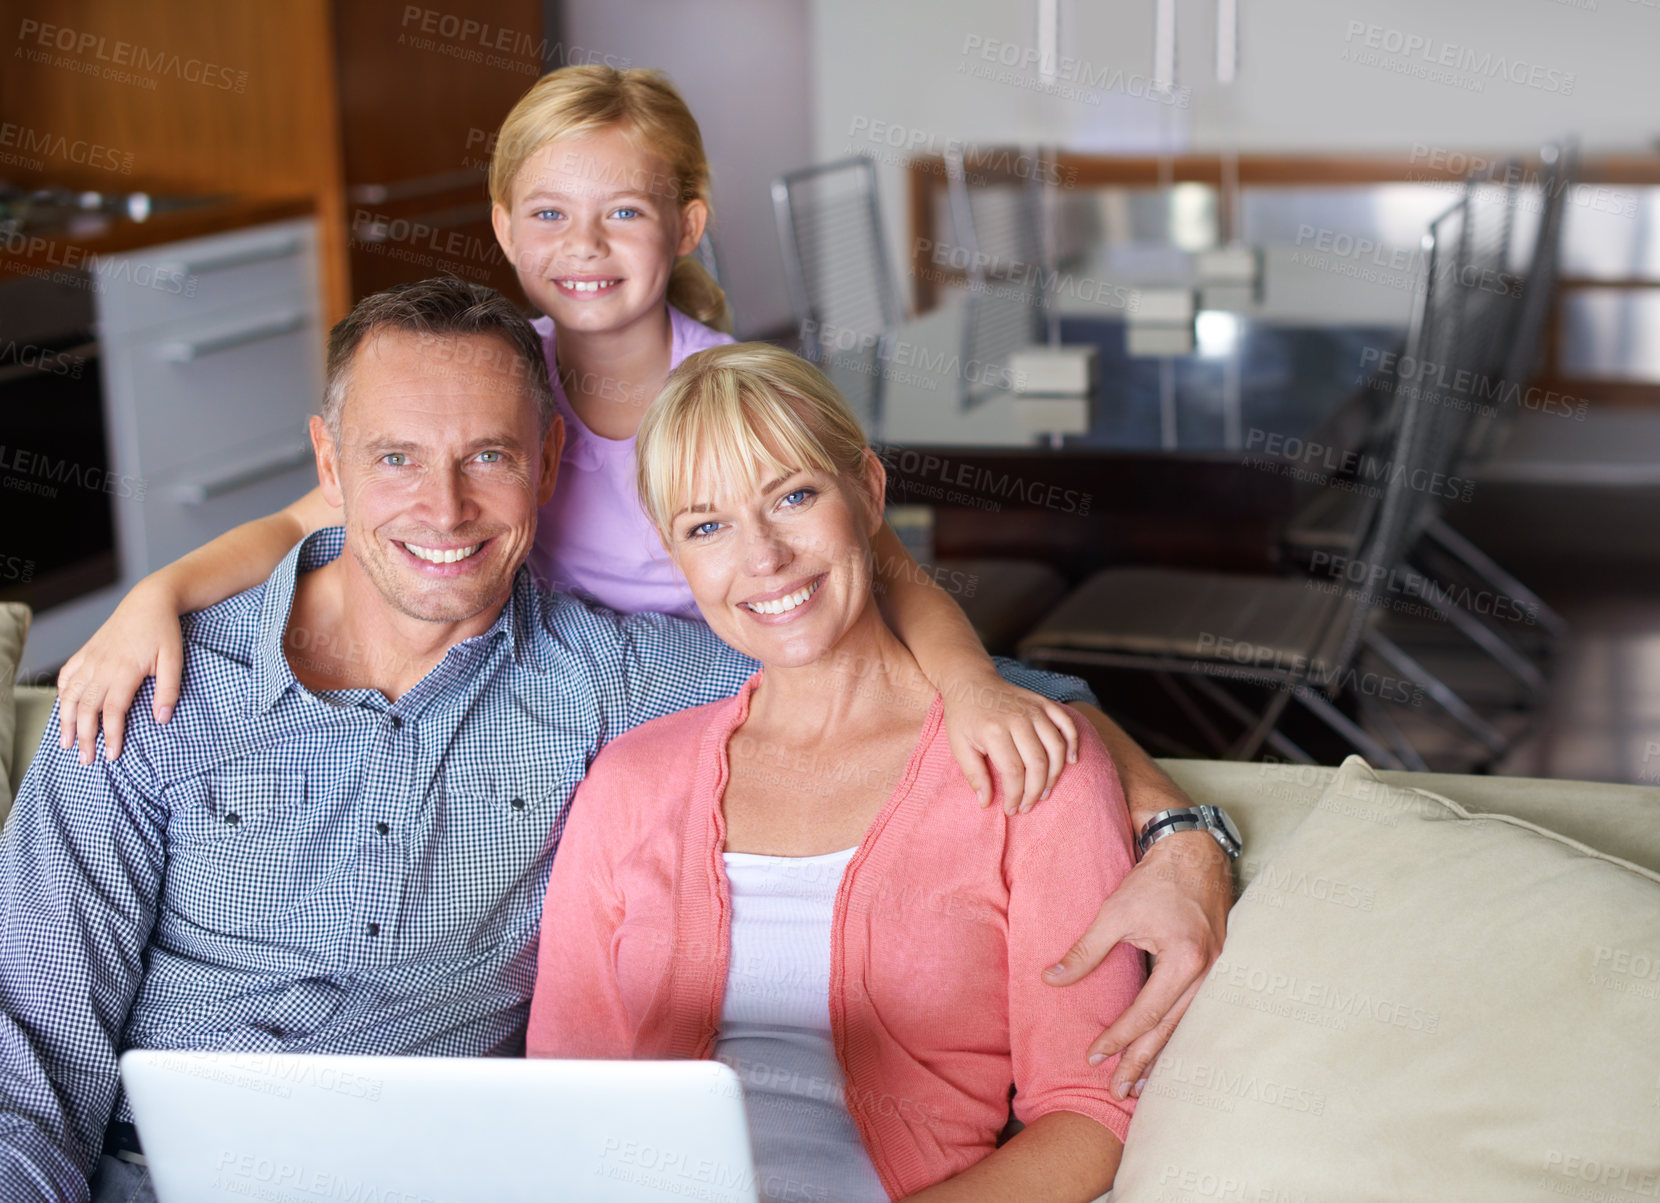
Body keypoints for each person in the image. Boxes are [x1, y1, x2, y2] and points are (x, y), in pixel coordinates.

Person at [54, 62, 1234, 1102]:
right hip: (588, 713)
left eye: (623, 211)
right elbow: (298, 523)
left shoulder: (717, 401)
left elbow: (886, 601)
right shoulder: (485, 383)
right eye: (553, 213)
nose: (586, 245)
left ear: (686, 227)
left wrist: (1083, 763)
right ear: (507, 230)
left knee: (963, 700)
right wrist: (151, 596)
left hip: (702, 682)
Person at [0, 280, 1104, 1203]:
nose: (444, 509)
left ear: (551, 461)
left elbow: (950, 685)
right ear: (328, 463)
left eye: (488, 456)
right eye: (395, 459)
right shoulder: (148, 691)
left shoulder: (617, 680)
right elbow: (25, 1059)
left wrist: (1186, 830)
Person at [530, 344, 1145, 1202]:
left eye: (793, 496)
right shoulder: (630, 780)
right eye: (707, 526)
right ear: (677, 556)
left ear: (869, 491)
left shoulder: (1027, 768)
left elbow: (1089, 1109)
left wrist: (1190, 839)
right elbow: (560, 1097)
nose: (764, 557)